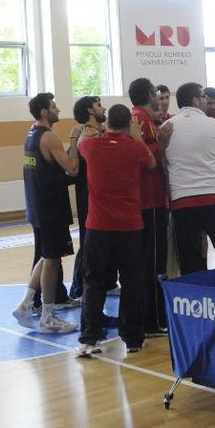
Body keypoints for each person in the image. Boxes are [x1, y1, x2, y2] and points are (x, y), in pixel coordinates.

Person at [76, 105, 156, 356]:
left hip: (98, 227)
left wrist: (98, 129)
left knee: (94, 282)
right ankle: (132, 338)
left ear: (109, 122)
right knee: (132, 282)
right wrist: (136, 135)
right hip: (129, 227)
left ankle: (89, 338)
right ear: (128, 124)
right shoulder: (134, 147)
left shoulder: (91, 146)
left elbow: (79, 140)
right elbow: (152, 163)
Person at [12, 93, 80, 333]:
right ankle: (48, 316)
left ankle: (26, 302)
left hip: (38, 207)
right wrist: (74, 141)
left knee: (45, 255)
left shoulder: (30, 134)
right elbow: (72, 169)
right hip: (51, 207)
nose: (58, 110)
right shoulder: (49, 136)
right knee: (52, 260)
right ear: (44, 112)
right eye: (54, 106)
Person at [159, 82, 215, 273]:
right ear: (196, 100)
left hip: (182, 202)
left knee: (190, 259)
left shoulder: (166, 127)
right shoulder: (214, 124)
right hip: (214, 197)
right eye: (204, 97)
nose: (207, 101)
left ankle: (196, 299)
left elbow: (163, 160)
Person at [128, 78, 168, 335]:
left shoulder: (145, 118)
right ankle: (151, 320)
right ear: (148, 94)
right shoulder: (140, 119)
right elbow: (146, 156)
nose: (159, 97)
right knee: (152, 262)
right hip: (150, 200)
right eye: (156, 92)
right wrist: (163, 142)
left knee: (149, 261)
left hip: (151, 199)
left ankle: (150, 317)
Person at [68, 96, 109, 302]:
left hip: (104, 198)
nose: (103, 109)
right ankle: (78, 288)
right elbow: (72, 169)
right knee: (88, 243)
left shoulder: (103, 132)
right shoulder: (82, 134)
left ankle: (108, 282)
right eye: (99, 106)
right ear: (90, 111)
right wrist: (75, 141)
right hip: (88, 197)